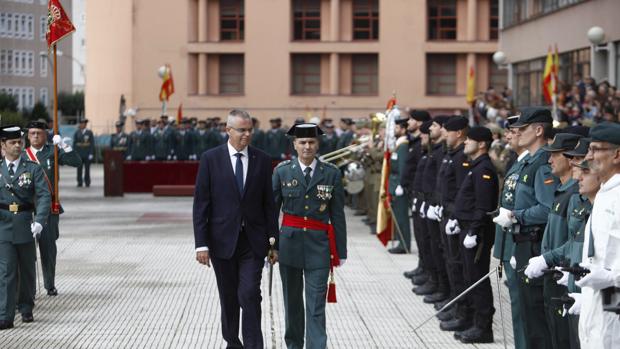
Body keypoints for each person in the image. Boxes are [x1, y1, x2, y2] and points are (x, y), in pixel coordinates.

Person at [193, 109, 278, 349]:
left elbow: (269, 205)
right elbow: (201, 204)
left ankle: (253, 345)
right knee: (229, 297)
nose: (247, 134)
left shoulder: (262, 159)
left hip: (253, 241)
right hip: (221, 241)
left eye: (250, 129)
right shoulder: (211, 159)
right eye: (242, 130)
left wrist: (274, 243)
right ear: (228, 130)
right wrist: (201, 244)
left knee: (249, 293)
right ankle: (232, 342)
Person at [272, 123, 347, 349]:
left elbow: (338, 215)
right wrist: (271, 246)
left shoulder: (331, 173)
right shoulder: (282, 171)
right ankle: (294, 345)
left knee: (315, 306)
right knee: (292, 303)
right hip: (289, 246)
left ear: (318, 144)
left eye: (311, 142)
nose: (307, 147)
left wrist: (340, 252)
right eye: (302, 142)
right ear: (294, 144)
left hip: (319, 247)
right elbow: (271, 212)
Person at [494, 107, 559, 349]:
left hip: (532, 242)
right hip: (520, 241)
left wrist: (515, 215)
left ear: (539, 130)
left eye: (522, 129)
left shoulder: (542, 163)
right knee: (522, 308)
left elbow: (547, 207)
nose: (516, 133)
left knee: (531, 314)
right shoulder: (529, 161)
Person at [524, 132, 581, 348]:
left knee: (566, 338)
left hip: (564, 275)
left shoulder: (575, 194)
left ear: (569, 158)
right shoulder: (562, 191)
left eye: (554, 155)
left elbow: (574, 240)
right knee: (555, 334)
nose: (549, 161)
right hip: (553, 272)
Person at [451, 126, 499, 343]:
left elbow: (483, 205)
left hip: (476, 233)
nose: (465, 143)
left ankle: (484, 328)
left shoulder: (484, 169)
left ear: (481, 144)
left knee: (477, 280)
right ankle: (473, 321)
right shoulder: (476, 166)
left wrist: (474, 231)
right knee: (470, 276)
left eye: (469, 140)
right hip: (468, 227)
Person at [0, 125, 51, 329]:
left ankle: (26, 306)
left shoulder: (32, 168)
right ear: (3, 145)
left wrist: (39, 220)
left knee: (28, 270)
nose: (17, 146)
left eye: (19, 142)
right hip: (3, 226)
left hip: (25, 224)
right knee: (6, 271)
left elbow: (44, 195)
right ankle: (5, 314)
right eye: (12, 143)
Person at [23, 121, 81, 297]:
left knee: (48, 248)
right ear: (27, 135)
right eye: (32, 133)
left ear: (45, 134)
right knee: (25, 251)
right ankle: (27, 287)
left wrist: (63, 145)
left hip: (49, 208)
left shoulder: (52, 152)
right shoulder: (22, 155)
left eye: (39, 133)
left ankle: (49, 284)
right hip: (27, 209)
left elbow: (76, 162)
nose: (35, 136)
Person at [576, 122, 620, 349]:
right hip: (600, 294)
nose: (589, 156)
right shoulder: (604, 192)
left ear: (617, 155)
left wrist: (613, 278)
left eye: (595, 149)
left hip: (615, 295)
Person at [491, 114, 528, 349]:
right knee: (518, 305)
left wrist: (516, 216)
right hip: (510, 240)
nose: (508, 136)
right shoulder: (519, 161)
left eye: (513, 131)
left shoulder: (537, 165)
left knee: (525, 310)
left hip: (523, 242)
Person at [403, 110, 431, 278]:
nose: (408, 122)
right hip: (415, 194)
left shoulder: (423, 145)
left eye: (412, 119)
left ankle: (428, 271)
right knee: (420, 236)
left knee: (427, 239)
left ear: (420, 123)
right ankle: (423, 267)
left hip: (423, 196)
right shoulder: (415, 141)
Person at [388, 116, 411, 254]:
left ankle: (404, 244)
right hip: (395, 184)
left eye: (397, 128)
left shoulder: (403, 146)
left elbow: (402, 167)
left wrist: (401, 185)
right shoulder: (399, 144)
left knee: (402, 216)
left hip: (399, 186)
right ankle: (400, 242)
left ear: (403, 130)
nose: (395, 130)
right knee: (397, 215)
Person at [73, 119, 95, 187]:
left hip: (87, 153)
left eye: (84, 123)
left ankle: (87, 182)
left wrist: (91, 153)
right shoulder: (77, 132)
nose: (82, 125)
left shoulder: (89, 132)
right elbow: (74, 144)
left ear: (85, 125)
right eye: (81, 123)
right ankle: (79, 182)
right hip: (79, 154)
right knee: (79, 169)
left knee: (87, 169)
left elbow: (92, 143)